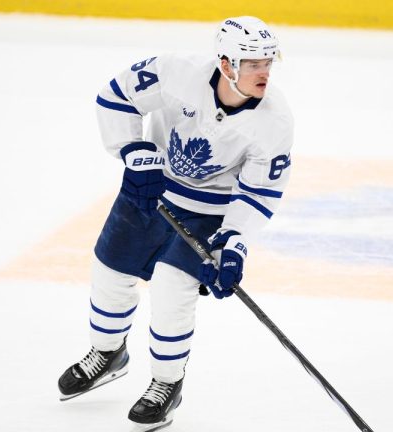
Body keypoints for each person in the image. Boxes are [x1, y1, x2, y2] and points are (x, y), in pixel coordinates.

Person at [57, 15, 293, 432]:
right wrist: (133, 149)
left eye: (267, 63)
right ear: (226, 64)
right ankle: (107, 353)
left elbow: (258, 193)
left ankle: (167, 383)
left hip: (208, 212)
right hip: (150, 191)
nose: (264, 72)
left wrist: (233, 242)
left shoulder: (274, 121)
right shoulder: (174, 72)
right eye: (253, 63)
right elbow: (114, 97)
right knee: (110, 272)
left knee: (171, 290)